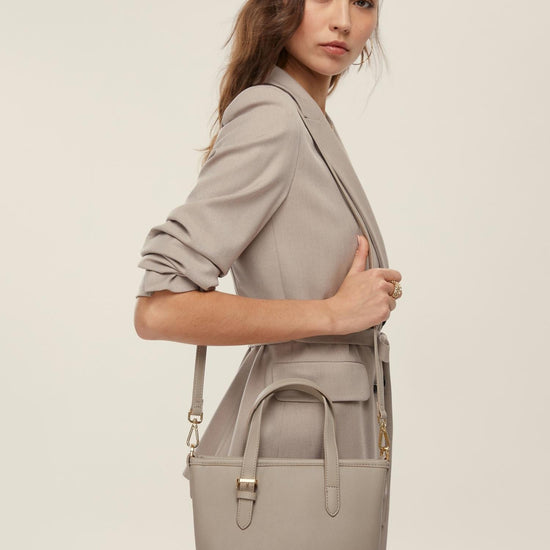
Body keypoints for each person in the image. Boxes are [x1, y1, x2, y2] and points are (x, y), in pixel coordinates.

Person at [134, 1, 402, 548]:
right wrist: (332, 314)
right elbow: (159, 308)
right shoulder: (273, 116)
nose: (344, 20)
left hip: (331, 431)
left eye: (363, 2)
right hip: (297, 440)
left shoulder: (307, 118)